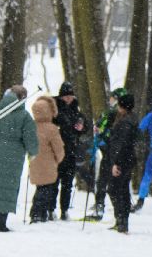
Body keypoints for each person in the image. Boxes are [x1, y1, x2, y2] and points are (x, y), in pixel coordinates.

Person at [0, 85, 37, 232]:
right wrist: (32, 152)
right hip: (14, 154)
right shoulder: (24, 116)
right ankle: (1, 223)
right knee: (7, 186)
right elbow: (30, 137)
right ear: (22, 98)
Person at [85, 87, 131, 221]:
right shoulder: (127, 114)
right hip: (119, 152)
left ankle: (102, 207)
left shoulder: (111, 112)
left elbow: (100, 127)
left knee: (105, 180)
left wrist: (101, 134)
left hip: (110, 151)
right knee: (115, 182)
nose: (109, 100)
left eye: (112, 97)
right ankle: (119, 213)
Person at [26, 95, 66, 223]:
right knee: (46, 189)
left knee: (40, 187)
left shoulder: (31, 126)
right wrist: (58, 159)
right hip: (49, 163)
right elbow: (59, 148)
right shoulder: (52, 129)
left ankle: (38, 213)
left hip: (34, 161)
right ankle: (38, 213)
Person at [104, 92, 140, 233]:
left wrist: (115, 163)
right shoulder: (131, 120)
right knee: (123, 190)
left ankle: (121, 220)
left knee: (114, 189)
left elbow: (120, 144)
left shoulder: (125, 123)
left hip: (122, 160)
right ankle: (122, 220)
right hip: (129, 159)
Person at [52, 82, 86, 219]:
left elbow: (84, 123)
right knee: (54, 182)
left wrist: (82, 126)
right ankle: (51, 208)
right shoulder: (54, 109)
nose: (68, 99)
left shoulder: (75, 109)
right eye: (66, 97)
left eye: (70, 96)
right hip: (57, 151)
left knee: (68, 184)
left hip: (71, 151)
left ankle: (64, 210)